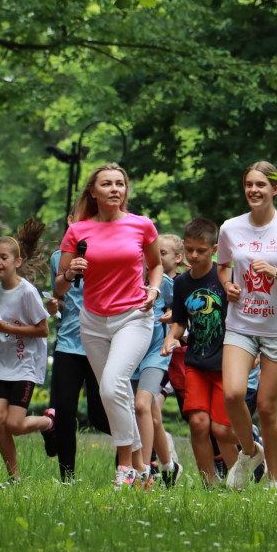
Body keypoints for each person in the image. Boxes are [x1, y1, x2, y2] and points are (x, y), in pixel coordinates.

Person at [55, 163, 163, 491]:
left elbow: (156, 265)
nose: (115, 189)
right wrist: (71, 272)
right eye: (107, 184)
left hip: (133, 316)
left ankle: (128, 467)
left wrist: (155, 290)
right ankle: (141, 468)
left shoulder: (142, 226)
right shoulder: (78, 231)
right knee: (114, 395)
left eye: (120, 183)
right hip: (92, 321)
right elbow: (59, 287)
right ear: (93, 191)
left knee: (110, 385)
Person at [217, 161, 277, 491]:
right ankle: (250, 452)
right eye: (249, 184)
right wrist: (227, 285)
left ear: (275, 189)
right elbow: (223, 267)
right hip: (241, 322)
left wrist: (275, 272)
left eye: (261, 185)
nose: (253, 190)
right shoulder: (230, 227)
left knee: (265, 407)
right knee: (232, 394)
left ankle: (275, 481)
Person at [0, 219, 54, 482]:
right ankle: (14, 477)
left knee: (15, 425)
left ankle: (49, 423)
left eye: (3, 257)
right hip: (0, 363)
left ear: (16, 262)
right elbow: (6, 325)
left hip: (24, 365)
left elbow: (42, 330)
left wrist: (6, 328)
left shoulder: (27, 292)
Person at [161, 217, 236, 488]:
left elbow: (243, 319)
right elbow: (180, 321)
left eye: (201, 250)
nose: (193, 256)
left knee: (221, 429)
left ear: (214, 249)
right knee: (198, 424)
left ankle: (239, 481)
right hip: (196, 362)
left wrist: (251, 354)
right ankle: (208, 485)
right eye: (189, 249)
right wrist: (171, 338)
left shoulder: (225, 276)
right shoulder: (181, 282)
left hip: (226, 363)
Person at [42, 222, 111, 482]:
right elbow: (61, 295)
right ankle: (67, 479)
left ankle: (138, 453)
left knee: (99, 415)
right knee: (64, 412)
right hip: (68, 343)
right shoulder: (58, 258)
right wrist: (53, 305)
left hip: (101, 342)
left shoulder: (109, 253)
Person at [130, 234, 181, 487]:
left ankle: (145, 470)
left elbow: (181, 314)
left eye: (162, 253)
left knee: (142, 406)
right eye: (152, 252)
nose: (154, 257)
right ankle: (170, 466)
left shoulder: (169, 284)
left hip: (155, 353)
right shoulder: (130, 279)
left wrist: (172, 315)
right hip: (130, 351)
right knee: (150, 414)